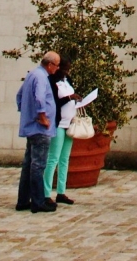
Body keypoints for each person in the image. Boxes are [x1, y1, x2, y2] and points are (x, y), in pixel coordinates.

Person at [15, 51, 59, 213]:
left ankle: (23, 200)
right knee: (38, 164)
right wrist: (42, 116)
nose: (57, 68)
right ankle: (38, 201)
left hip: (31, 127)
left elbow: (19, 96)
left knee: (29, 164)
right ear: (49, 64)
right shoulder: (41, 77)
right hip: (40, 129)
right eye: (56, 65)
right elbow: (40, 98)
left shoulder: (32, 75)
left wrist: (26, 112)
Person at [43, 57, 79, 206]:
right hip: (58, 122)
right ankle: (45, 193)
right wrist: (69, 97)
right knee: (53, 159)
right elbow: (54, 102)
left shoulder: (67, 80)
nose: (65, 72)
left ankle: (61, 191)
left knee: (65, 159)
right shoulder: (52, 81)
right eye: (63, 69)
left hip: (69, 123)